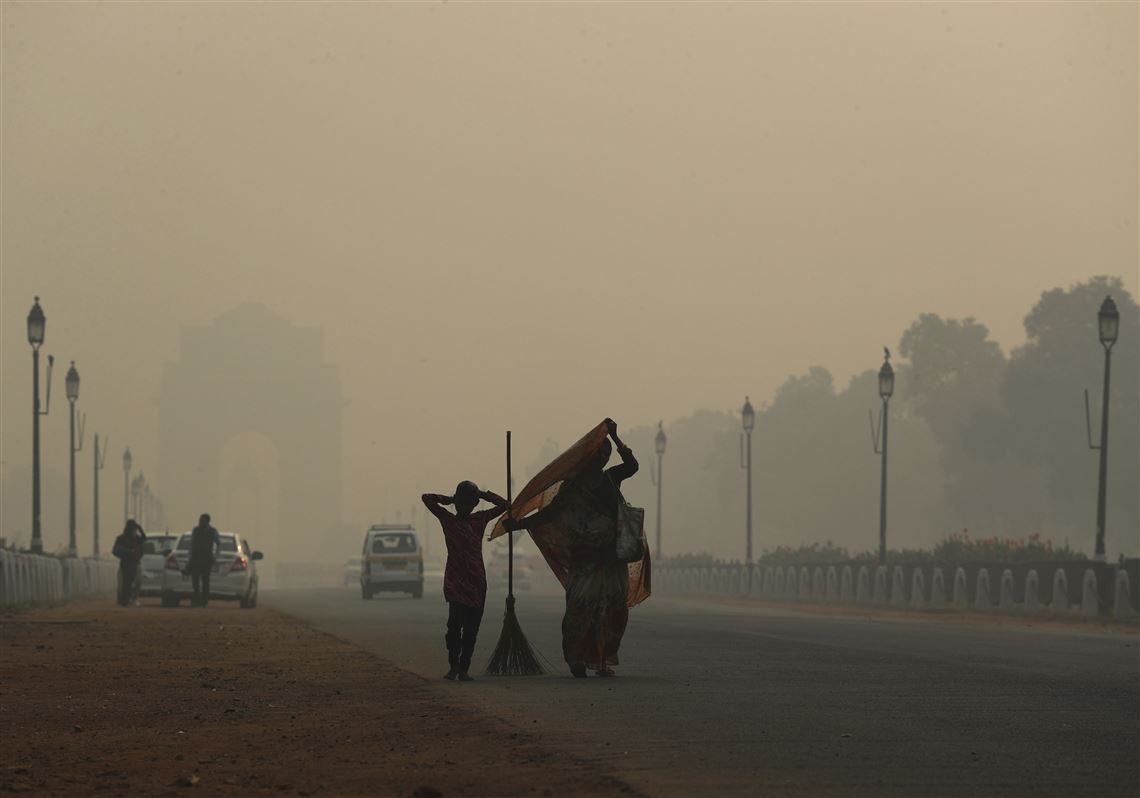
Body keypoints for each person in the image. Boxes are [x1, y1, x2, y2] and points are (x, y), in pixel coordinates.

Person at [504, 419, 639, 678]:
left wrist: (616, 437)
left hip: (612, 555)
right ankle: (576, 658)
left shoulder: (611, 478)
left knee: (613, 608)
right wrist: (517, 525)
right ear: (588, 455)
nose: (602, 457)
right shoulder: (573, 485)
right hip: (585, 555)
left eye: (606, 453)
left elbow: (632, 467)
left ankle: (601, 661)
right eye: (598, 452)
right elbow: (549, 514)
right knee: (580, 606)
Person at [422, 482, 509, 681]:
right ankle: (453, 665)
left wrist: (483, 494)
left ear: (474, 503)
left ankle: (464, 667)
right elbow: (427, 498)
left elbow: (505, 506)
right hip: (455, 581)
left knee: (471, 630)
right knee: (454, 626)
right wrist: (450, 499)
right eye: (461, 501)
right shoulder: (447, 519)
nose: (463, 505)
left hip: (476, 581)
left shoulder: (480, 519)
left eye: (469, 502)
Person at [187, 513, 221, 607]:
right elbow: (192, 544)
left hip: (207, 559)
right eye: (200, 520)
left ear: (207, 521)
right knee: (195, 581)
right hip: (196, 559)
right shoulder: (196, 530)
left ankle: (204, 601)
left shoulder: (213, 531)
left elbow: (219, 544)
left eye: (202, 520)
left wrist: (215, 556)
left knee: (205, 581)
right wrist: (190, 557)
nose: (200, 522)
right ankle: (196, 600)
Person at [111, 519, 147, 606]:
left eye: (135, 530)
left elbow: (144, 538)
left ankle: (133, 598)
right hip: (125, 563)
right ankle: (125, 600)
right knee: (124, 584)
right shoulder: (121, 538)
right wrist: (128, 552)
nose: (134, 532)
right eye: (133, 530)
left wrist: (140, 528)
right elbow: (115, 550)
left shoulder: (137, 539)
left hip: (136, 563)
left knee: (139, 580)